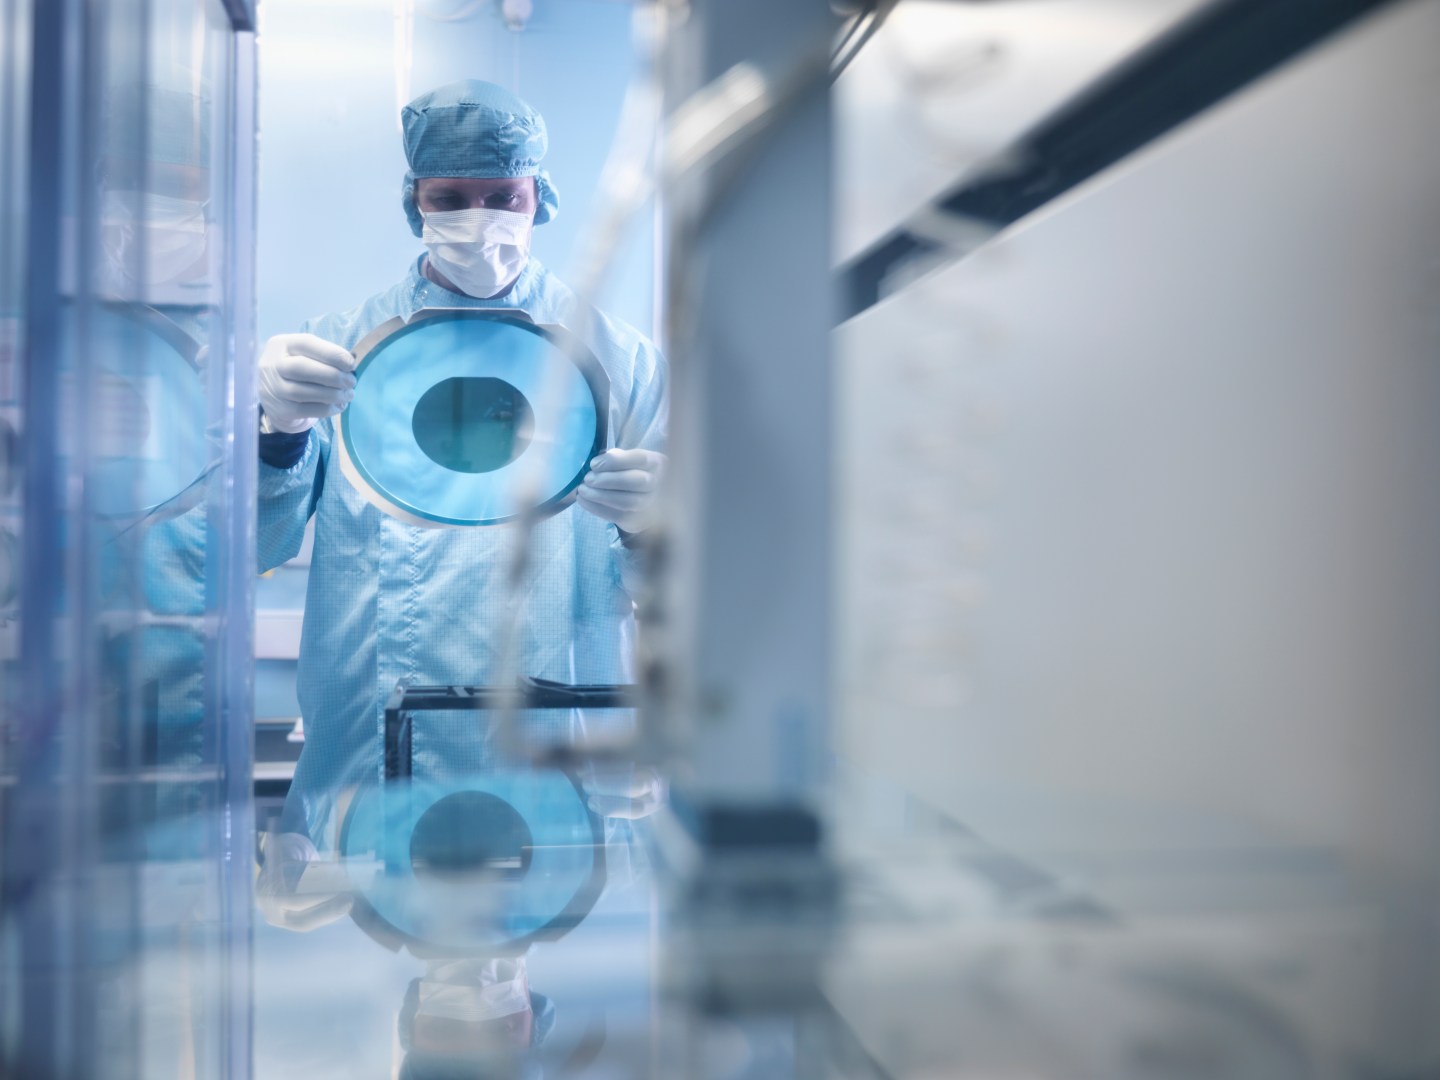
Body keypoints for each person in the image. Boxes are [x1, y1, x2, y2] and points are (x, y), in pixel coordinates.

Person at [254, 80, 668, 906]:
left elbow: (677, 603)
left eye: (500, 196)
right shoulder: (341, 352)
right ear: (415, 202)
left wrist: (652, 532)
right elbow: (252, 548)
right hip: (370, 750)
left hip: (557, 746)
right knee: (379, 929)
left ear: (537, 198)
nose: (478, 220)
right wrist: (274, 432)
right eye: (450, 197)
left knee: (537, 922)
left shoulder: (617, 364)